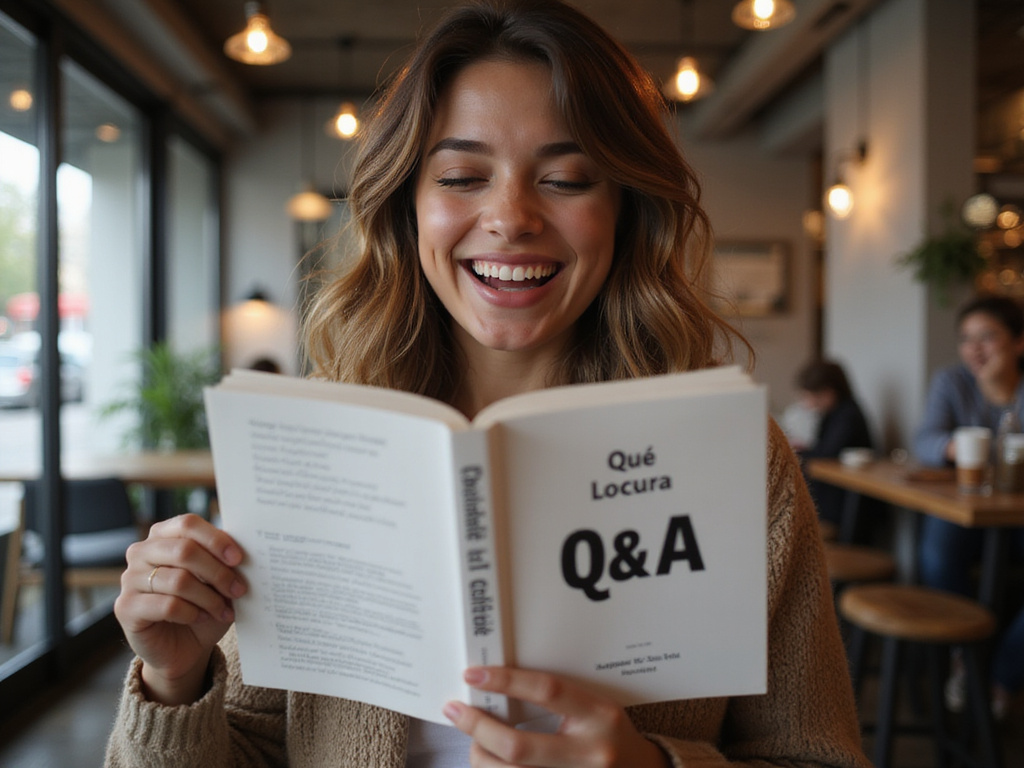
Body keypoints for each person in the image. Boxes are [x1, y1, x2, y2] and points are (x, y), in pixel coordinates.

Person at [105, 2, 870, 765]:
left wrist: (653, 764)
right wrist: (175, 679)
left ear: (625, 209)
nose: (511, 217)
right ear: (409, 206)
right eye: (463, 176)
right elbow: (255, 744)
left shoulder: (737, 460)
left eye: (566, 179)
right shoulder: (318, 454)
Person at [913, 293, 1024, 718]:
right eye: (966, 339)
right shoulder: (951, 381)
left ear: (1018, 341)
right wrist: (957, 446)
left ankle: (999, 678)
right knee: (936, 549)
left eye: (987, 337)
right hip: (968, 516)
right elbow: (925, 440)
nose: (974, 349)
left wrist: (999, 395)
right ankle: (965, 657)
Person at [791, 359, 874, 532]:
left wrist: (796, 453)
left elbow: (827, 454)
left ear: (828, 394)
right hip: (836, 498)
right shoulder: (832, 414)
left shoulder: (848, 415)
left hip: (843, 505)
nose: (808, 403)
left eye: (809, 396)